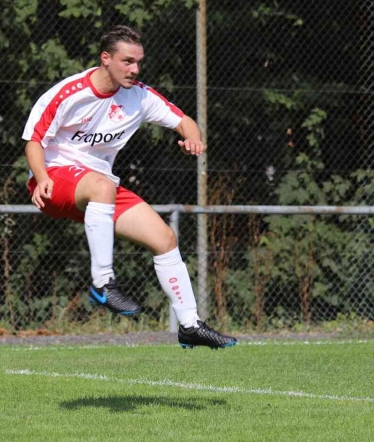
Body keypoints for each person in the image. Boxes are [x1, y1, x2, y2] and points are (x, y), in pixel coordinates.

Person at [22, 25, 237, 350]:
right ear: (105, 58)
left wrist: (193, 139)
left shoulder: (139, 96)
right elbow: (34, 140)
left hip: (99, 190)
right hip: (53, 180)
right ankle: (103, 284)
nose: (135, 69)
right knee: (102, 186)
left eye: (138, 62)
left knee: (164, 238)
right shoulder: (70, 93)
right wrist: (41, 177)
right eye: (127, 61)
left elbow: (184, 121)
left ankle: (190, 325)